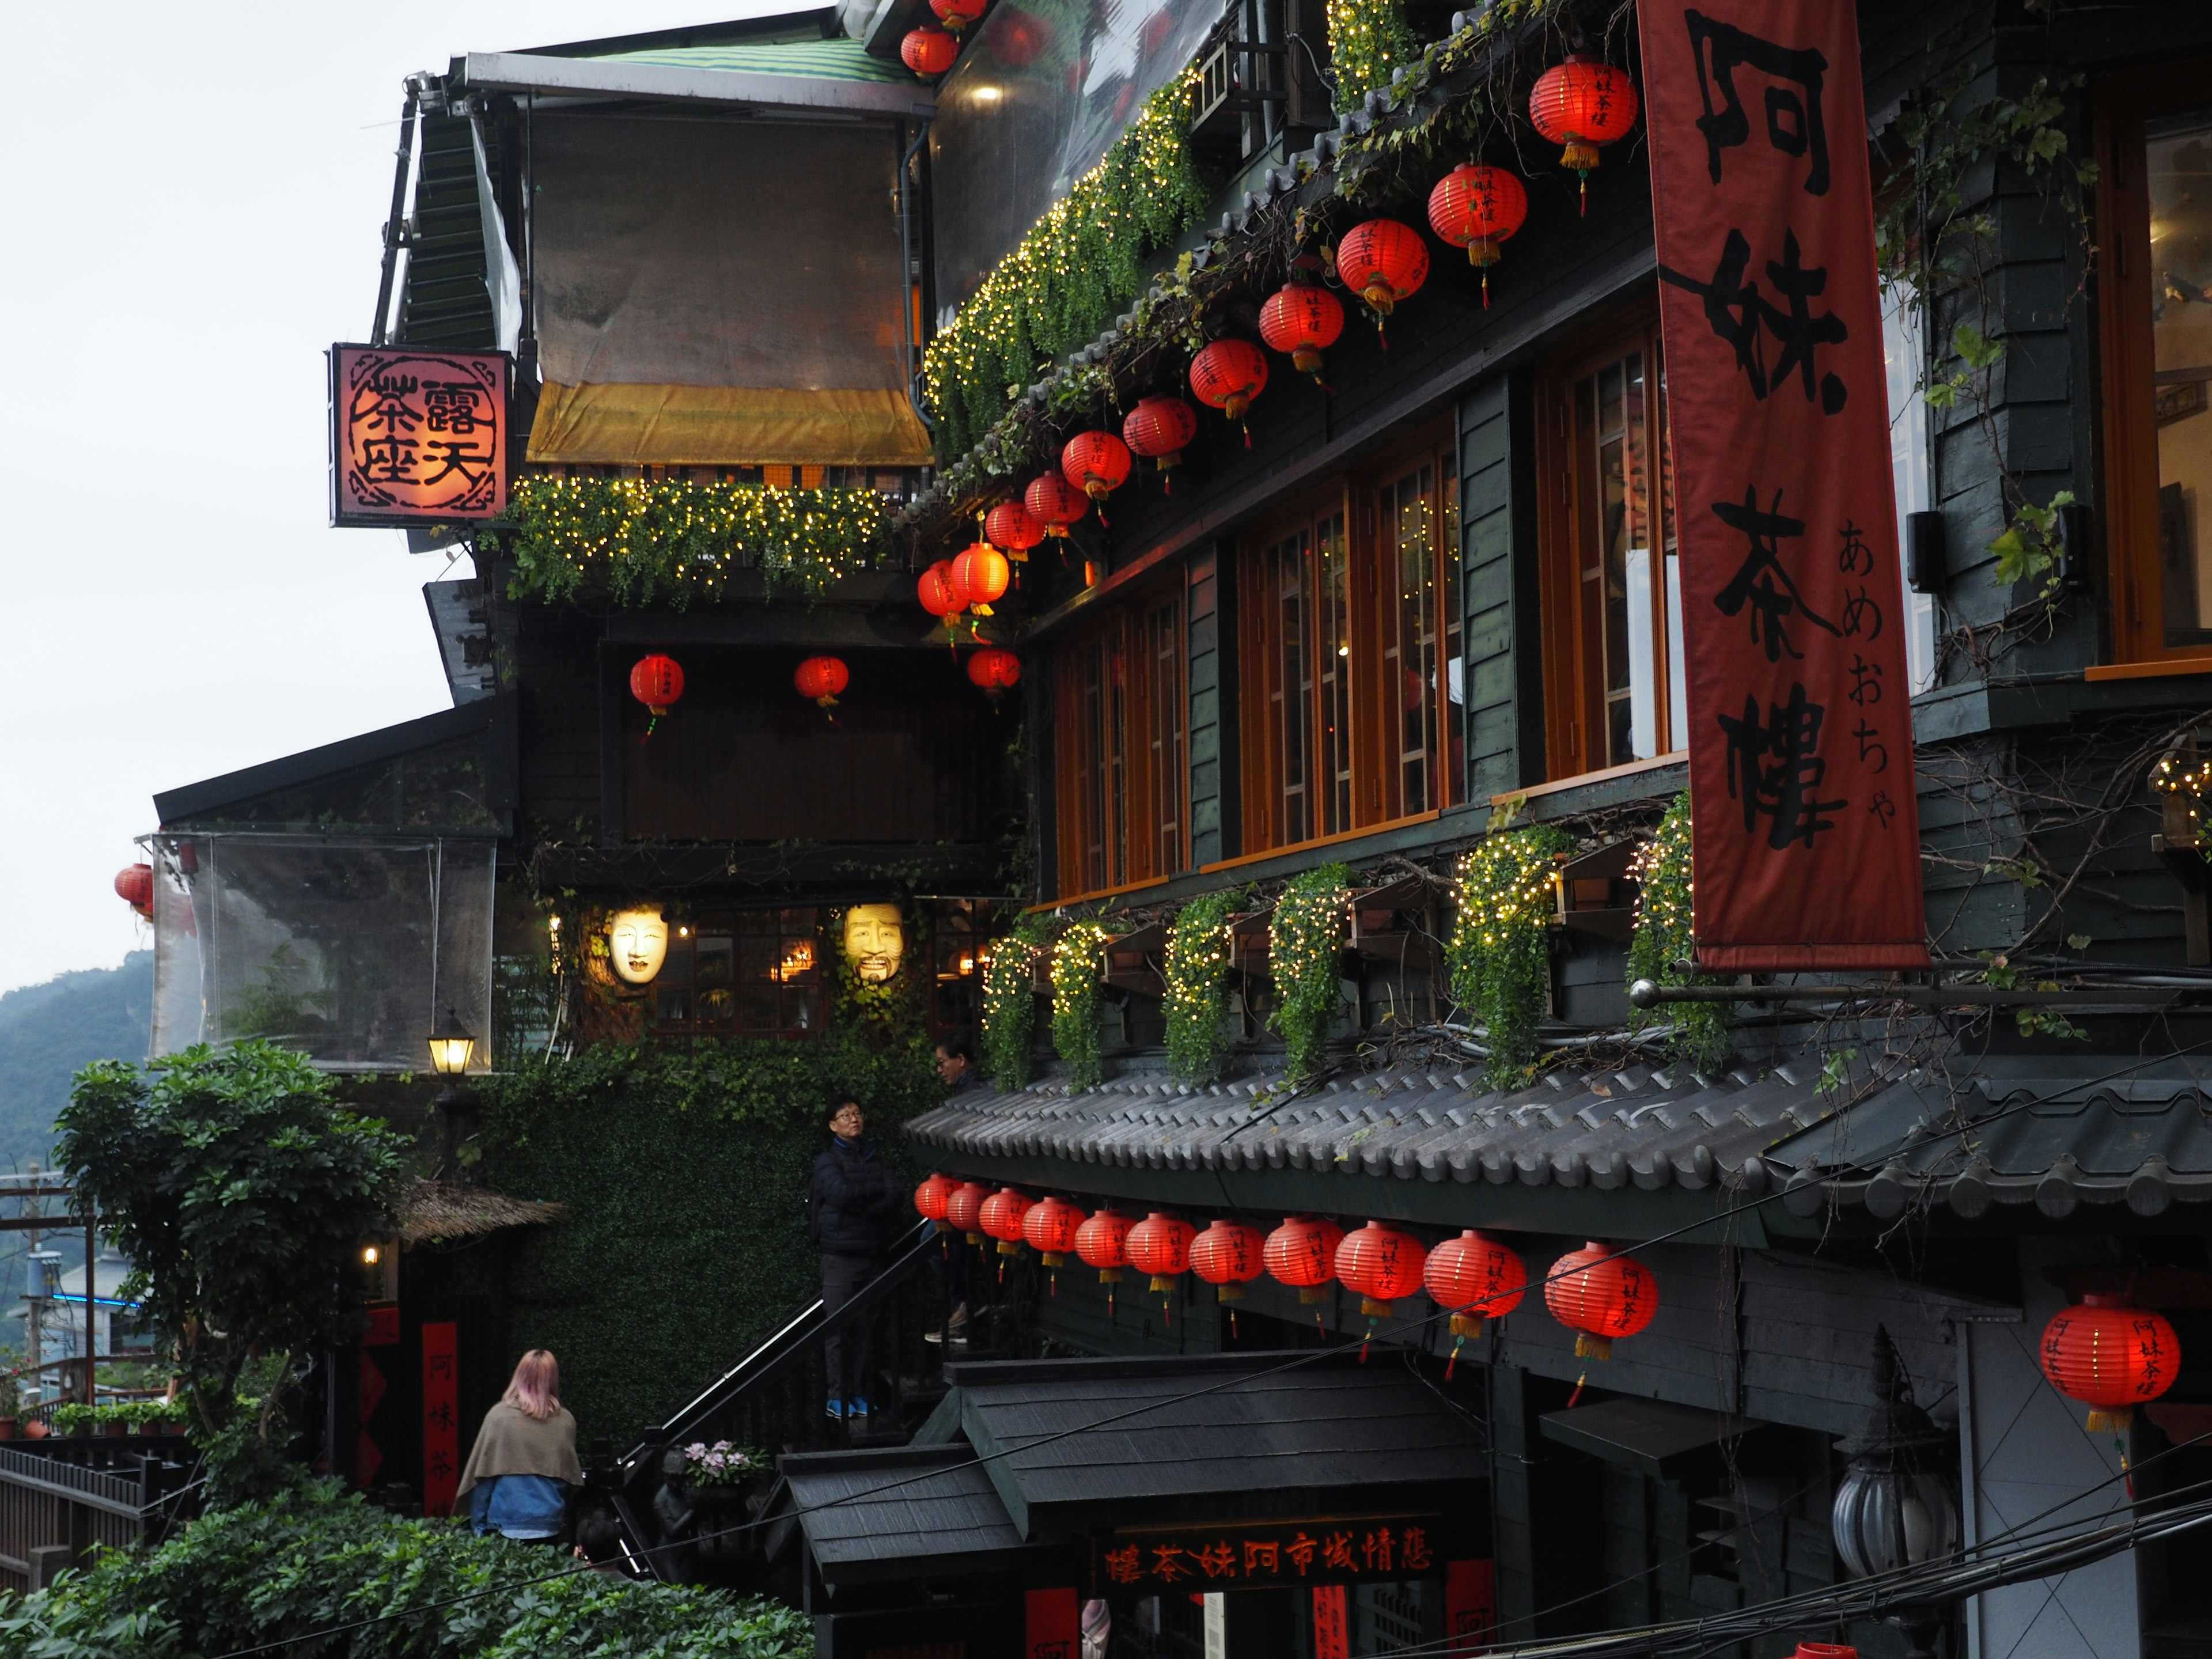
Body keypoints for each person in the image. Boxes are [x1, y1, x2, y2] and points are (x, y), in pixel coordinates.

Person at [809, 1097, 904, 1421]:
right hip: (840, 1257)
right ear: (833, 1125)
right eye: (845, 1115)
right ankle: (837, 1397)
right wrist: (871, 1194)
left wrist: (862, 1203)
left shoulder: (874, 1156)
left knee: (866, 1328)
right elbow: (839, 1194)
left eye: (857, 1113)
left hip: (873, 1254)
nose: (854, 1119)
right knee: (837, 1327)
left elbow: (895, 1193)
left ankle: (860, 1393)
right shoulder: (826, 1161)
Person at [454, 1350, 584, 1542]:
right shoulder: (565, 1421)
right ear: (552, 1380)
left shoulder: (498, 1417)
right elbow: (567, 1482)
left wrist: (478, 1527)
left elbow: (484, 1478)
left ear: (519, 1376)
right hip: (550, 1524)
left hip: (505, 1524)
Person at [925, 1030, 981, 1349]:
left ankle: (964, 1303)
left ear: (961, 1060)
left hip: (964, 1194)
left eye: (943, 1062)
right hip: (961, 1192)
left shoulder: (970, 1096)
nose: (940, 1069)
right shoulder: (968, 1092)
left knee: (936, 1243)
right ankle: (964, 1305)